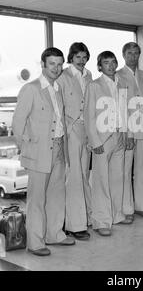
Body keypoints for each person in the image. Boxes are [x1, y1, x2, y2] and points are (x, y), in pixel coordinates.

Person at [12, 47, 75, 257]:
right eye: (52, 64)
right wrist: (27, 149)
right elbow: (18, 124)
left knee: (57, 195)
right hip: (38, 152)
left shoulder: (57, 89)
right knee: (37, 200)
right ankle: (36, 242)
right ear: (43, 64)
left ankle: (55, 234)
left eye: (59, 64)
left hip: (58, 148)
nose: (56, 68)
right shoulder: (31, 89)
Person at [84, 51, 130, 237]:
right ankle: (101, 221)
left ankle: (117, 215)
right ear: (99, 66)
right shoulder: (94, 86)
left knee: (117, 179)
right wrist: (95, 141)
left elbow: (124, 112)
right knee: (101, 182)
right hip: (102, 139)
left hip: (119, 135)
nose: (110, 66)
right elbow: (88, 116)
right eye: (106, 63)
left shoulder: (122, 85)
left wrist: (126, 134)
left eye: (113, 62)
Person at [56, 42, 93, 241]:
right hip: (70, 130)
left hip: (86, 130)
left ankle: (86, 217)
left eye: (84, 56)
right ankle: (73, 224)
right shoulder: (63, 76)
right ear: (71, 57)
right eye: (77, 56)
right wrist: (65, 132)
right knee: (74, 178)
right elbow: (59, 107)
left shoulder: (88, 75)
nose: (81, 60)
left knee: (83, 176)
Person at [117, 42, 143, 219]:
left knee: (142, 167)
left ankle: (142, 205)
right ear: (124, 55)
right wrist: (126, 132)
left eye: (136, 53)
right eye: (130, 53)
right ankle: (126, 208)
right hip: (128, 129)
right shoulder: (118, 76)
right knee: (125, 170)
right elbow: (120, 107)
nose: (133, 56)